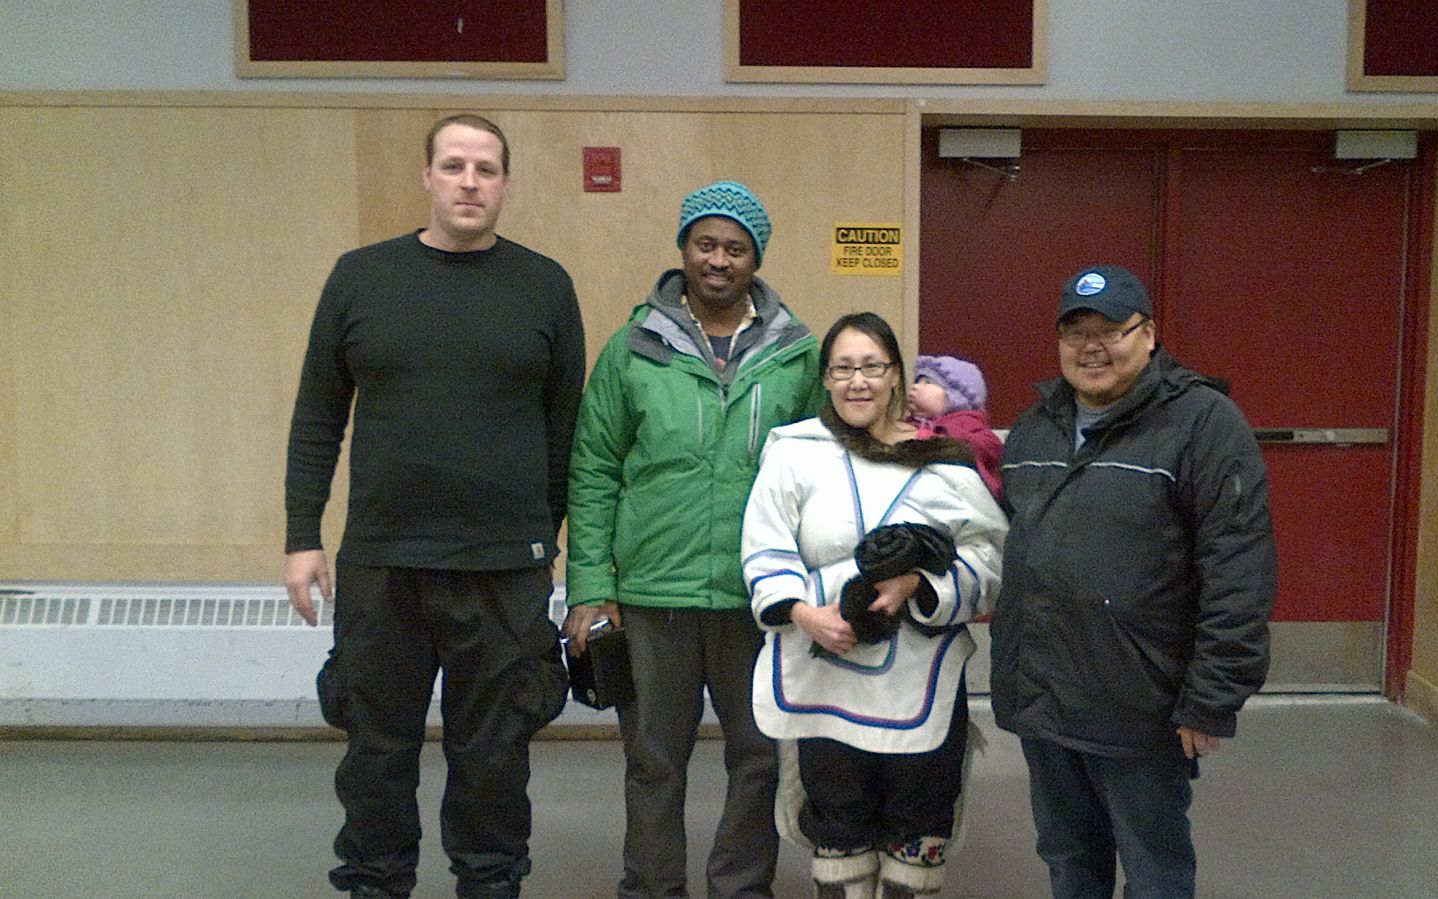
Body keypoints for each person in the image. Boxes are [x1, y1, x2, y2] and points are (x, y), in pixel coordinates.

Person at [283, 113, 585, 899]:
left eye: (486, 168)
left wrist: (541, 540)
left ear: (506, 183)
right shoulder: (360, 277)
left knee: (494, 756)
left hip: (502, 569)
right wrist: (300, 535)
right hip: (383, 561)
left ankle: (490, 883)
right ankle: (376, 882)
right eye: (453, 165)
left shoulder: (545, 284)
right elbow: (319, 413)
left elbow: (566, 429)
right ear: (427, 177)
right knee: (375, 753)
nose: (469, 182)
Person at [563, 181, 825, 899]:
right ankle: (650, 887)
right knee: (652, 759)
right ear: (684, 250)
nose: (719, 259)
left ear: (754, 259)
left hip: (758, 597)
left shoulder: (797, 353)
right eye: (706, 244)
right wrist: (590, 586)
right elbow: (593, 469)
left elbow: (821, 471)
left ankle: (740, 888)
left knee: (760, 758)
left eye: (735, 249)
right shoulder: (632, 348)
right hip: (652, 597)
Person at [990, 264, 1277, 899]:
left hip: (1143, 703)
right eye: (1075, 333)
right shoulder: (1035, 428)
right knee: (1068, 858)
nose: (1091, 348)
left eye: (1111, 330)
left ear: (1149, 335)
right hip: (1047, 696)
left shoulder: (1203, 424)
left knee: (1155, 867)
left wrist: (1211, 698)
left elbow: (1239, 573)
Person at [742, 312, 1007, 899]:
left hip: (923, 676)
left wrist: (919, 583)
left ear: (895, 377)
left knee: (918, 822)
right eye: (843, 368)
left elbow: (989, 559)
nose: (857, 381)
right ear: (827, 378)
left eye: (871, 367)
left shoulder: (946, 459)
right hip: (823, 669)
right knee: (838, 821)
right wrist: (804, 614)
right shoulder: (796, 454)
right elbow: (765, 545)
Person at [906, 354, 1004, 498]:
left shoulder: (968, 423)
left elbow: (991, 448)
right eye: (917, 381)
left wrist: (939, 437)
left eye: (927, 382)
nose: (915, 387)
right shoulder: (908, 425)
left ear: (955, 395)